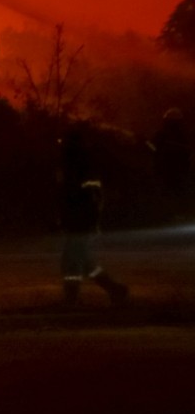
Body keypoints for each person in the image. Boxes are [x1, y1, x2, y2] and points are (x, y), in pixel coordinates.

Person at [59, 127, 129, 306]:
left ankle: (72, 298)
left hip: (80, 221)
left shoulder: (76, 164)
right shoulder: (79, 162)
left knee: (72, 261)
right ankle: (114, 289)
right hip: (80, 220)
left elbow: (77, 194)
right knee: (82, 260)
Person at [149, 109, 190, 222]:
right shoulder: (163, 135)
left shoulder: (179, 136)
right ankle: (172, 214)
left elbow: (186, 152)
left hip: (173, 169)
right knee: (172, 192)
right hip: (168, 169)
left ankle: (176, 214)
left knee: (173, 192)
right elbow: (153, 149)